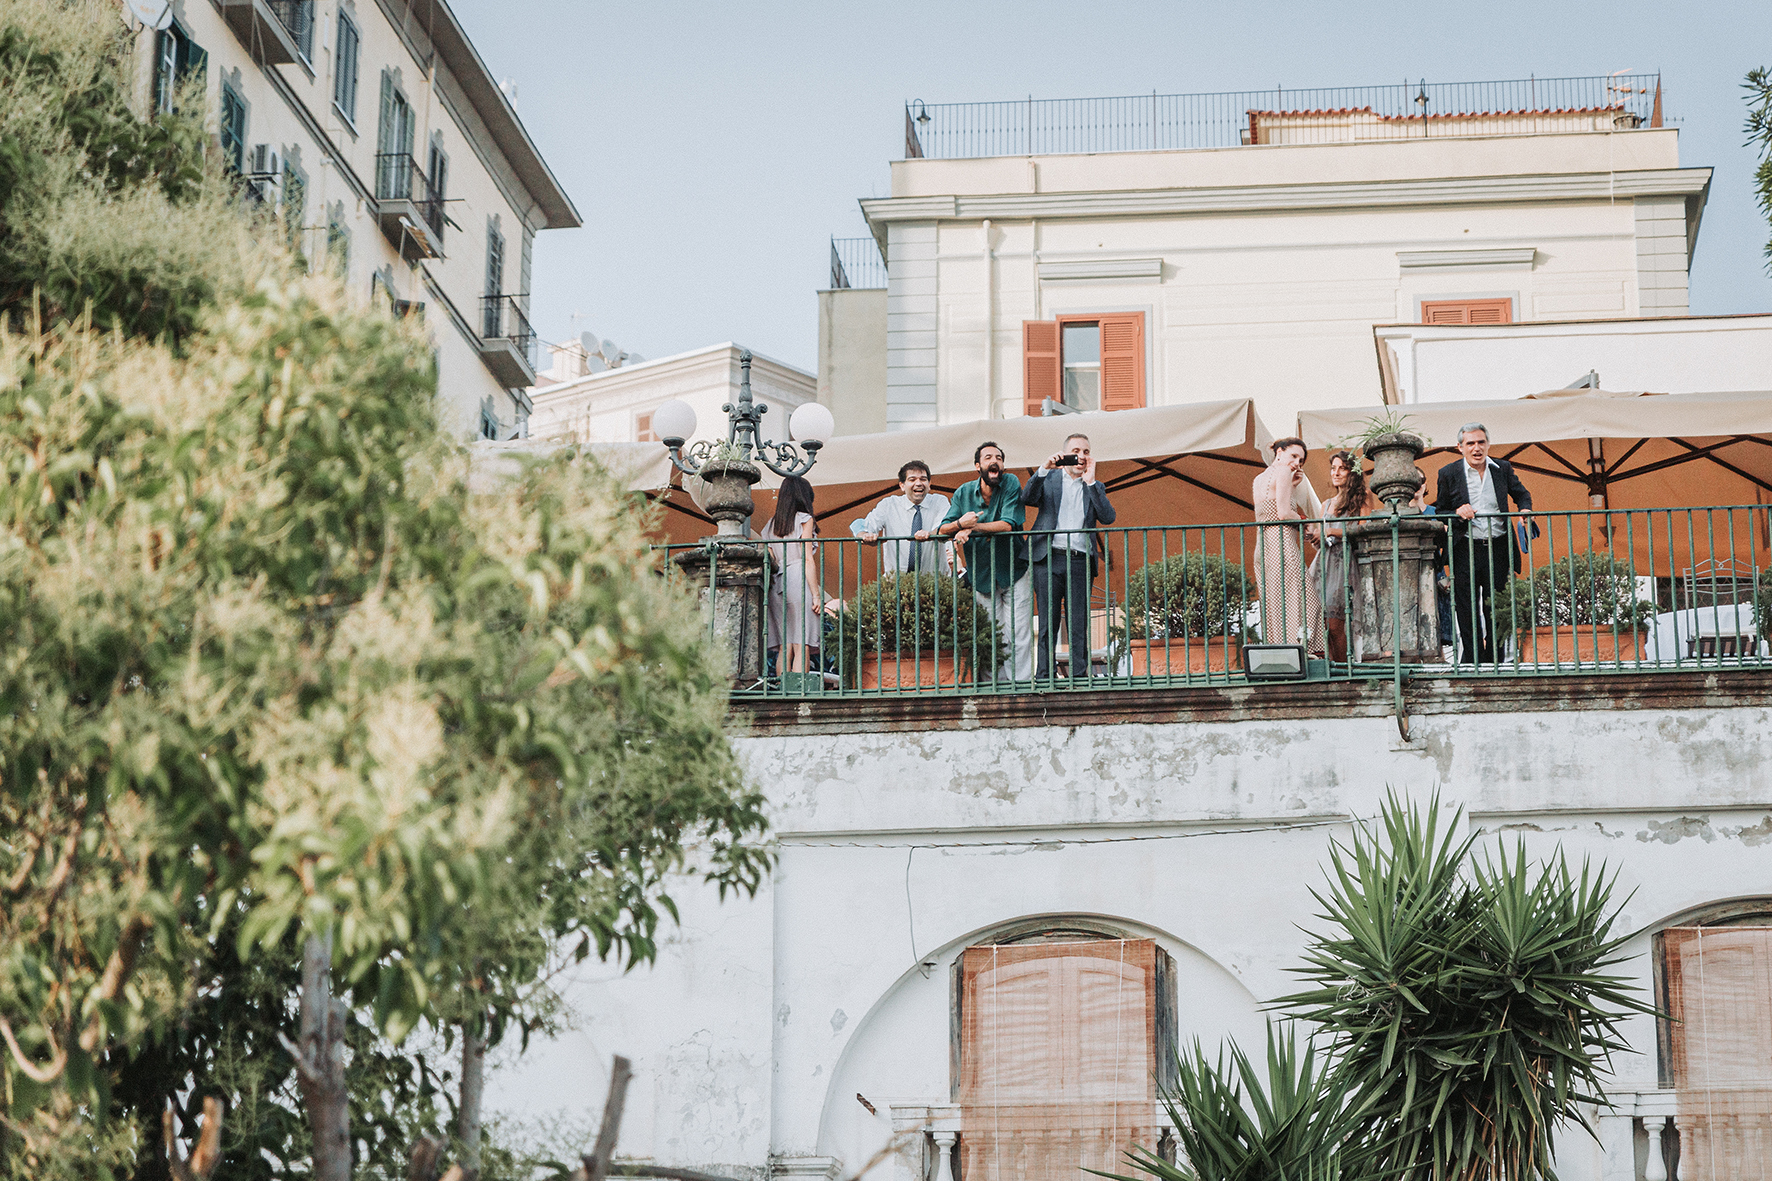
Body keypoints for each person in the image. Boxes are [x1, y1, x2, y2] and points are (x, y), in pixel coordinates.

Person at [1433, 422, 1533, 665]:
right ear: (1460, 447)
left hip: (1498, 546)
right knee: (1466, 608)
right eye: (1470, 443)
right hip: (1465, 547)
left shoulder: (1502, 468)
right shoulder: (1448, 473)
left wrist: (1525, 510)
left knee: (1495, 607)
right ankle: (1473, 660)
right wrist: (1457, 510)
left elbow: (1522, 494)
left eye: (1481, 442)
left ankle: (1496, 661)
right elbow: (1440, 510)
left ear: (1488, 444)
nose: (1476, 448)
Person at [1022, 433, 1116, 681]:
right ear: (1065, 454)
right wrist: (1044, 468)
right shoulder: (1050, 478)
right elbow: (1027, 498)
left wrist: (1092, 482)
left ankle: (1079, 676)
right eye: (1076, 451)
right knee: (1047, 621)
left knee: (1078, 621)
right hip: (1048, 557)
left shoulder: (1095, 486)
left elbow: (1108, 517)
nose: (1081, 456)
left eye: (1086, 452)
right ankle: (1044, 675)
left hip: (1079, 560)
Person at [939, 441, 1032, 682]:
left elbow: (1008, 523)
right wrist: (960, 525)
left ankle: (1019, 686)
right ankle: (994, 687)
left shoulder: (1010, 482)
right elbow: (942, 530)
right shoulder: (962, 492)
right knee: (992, 634)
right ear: (977, 465)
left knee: (1019, 633)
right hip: (981, 575)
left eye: (999, 458)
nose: (995, 461)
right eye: (988, 457)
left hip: (1014, 570)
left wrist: (973, 528)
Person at [1252, 437, 1323, 648]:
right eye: (1293, 456)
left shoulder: (1258, 478)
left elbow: (1270, 509)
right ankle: (1305, 647)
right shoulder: (1282, 471)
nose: (1296, 464)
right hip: (1282, 544)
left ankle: (1282, 648)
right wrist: (1305, 521)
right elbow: (1283, 513)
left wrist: (1291, 487)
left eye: (1300, 461)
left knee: (1276, 603)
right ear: (1279, 452)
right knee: (1310, 602)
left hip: (1263, 546)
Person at [1312, 450, 1377, 663]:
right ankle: (1336, 668)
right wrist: (1316, 537)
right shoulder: (1326, 503)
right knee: (1323, 623)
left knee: (1336, 623)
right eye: (1333, 468)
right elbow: (1322, 535)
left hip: (1347, 563)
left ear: (1352, 472)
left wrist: (1332, 532)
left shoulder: (1363, 496)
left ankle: (1344, 669)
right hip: (1325, 564)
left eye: (1342, 468)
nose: (1336, 473)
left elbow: (1364, 530)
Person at [762, 474, 823, 676]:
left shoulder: (770, 526)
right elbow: (807, 559)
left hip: (777, 582)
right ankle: (799, 693)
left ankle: (782, 693)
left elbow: (769, 559)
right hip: (798, 578)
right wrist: (816, 594)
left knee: (784, 646)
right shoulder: (805, 519)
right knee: (802, 643)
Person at [850, 460, 950, 574]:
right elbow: (862, 525)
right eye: (912, 479)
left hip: (935, 583)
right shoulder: (888, 504)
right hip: (897, 583)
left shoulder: (940, 501)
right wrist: (864, 535)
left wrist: (931, 534)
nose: (918, 483)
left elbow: (944, 527)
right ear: (902, 486)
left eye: (923, 479)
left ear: (929, 484)